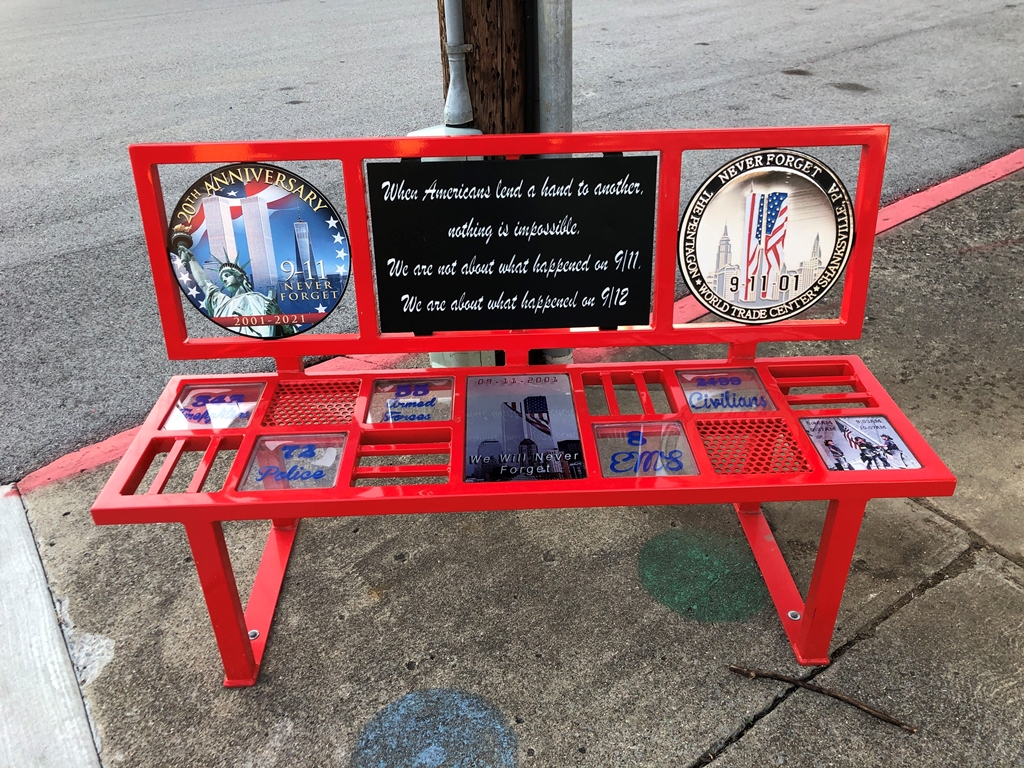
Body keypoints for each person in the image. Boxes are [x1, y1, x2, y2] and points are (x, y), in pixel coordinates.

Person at [172, 226, 295, 338]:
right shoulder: (223, 302)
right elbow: (205, 284)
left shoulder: (259, 299)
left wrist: (277, 315)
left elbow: (290, 332)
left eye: (227, 275)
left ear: (239, 277)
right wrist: (191, 260)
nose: (224, 279)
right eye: (222, 278)